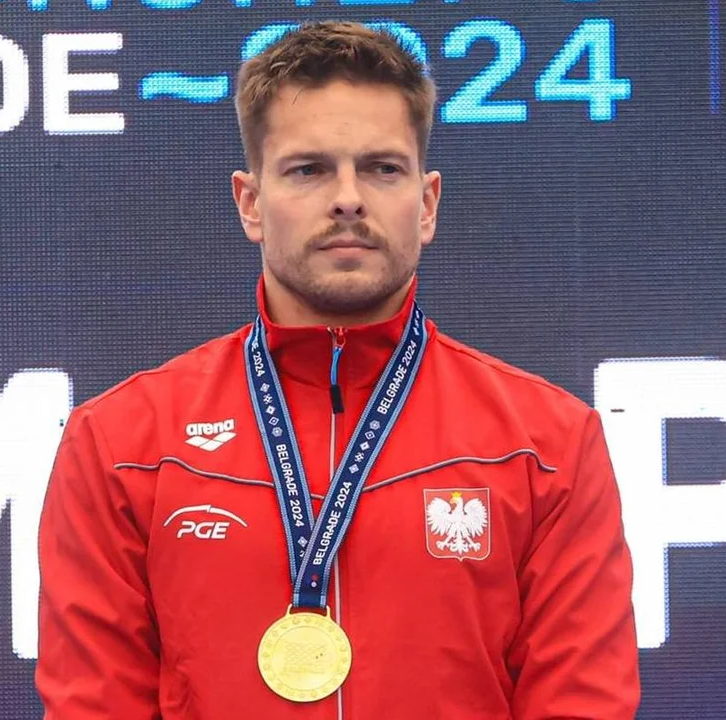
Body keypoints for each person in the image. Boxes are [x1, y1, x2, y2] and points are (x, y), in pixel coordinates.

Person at [35, 20, 640, 720]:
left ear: (427, 204)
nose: (348, 198)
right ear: (251, 203)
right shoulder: (121, 445)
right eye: (309, 169)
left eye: (382, 168)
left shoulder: (550, 446)